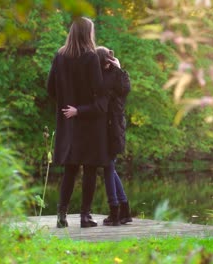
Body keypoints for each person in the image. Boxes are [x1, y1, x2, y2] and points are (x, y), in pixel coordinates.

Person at [47, 17, 109, 228]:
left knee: (70, 170)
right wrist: (81, 109)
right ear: (86, 33)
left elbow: (50, 88)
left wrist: (66, 106)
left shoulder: (59, 55)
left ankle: (61, 216)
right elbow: (99, 91)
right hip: (88, 121)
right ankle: (85, 217)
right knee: (89, 169)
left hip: (67, 122)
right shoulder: (90, 57)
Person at [62, 46, 132, 226]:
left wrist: (119, 68)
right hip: (108, 127)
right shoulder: (104, 76)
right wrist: (118, 69)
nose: (109, 62)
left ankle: (118, 211)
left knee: (109, 167)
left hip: (110, 128)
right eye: (107, 60)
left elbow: (124, 89)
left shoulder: (109, 77)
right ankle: (122, 209)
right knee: (110, 168)